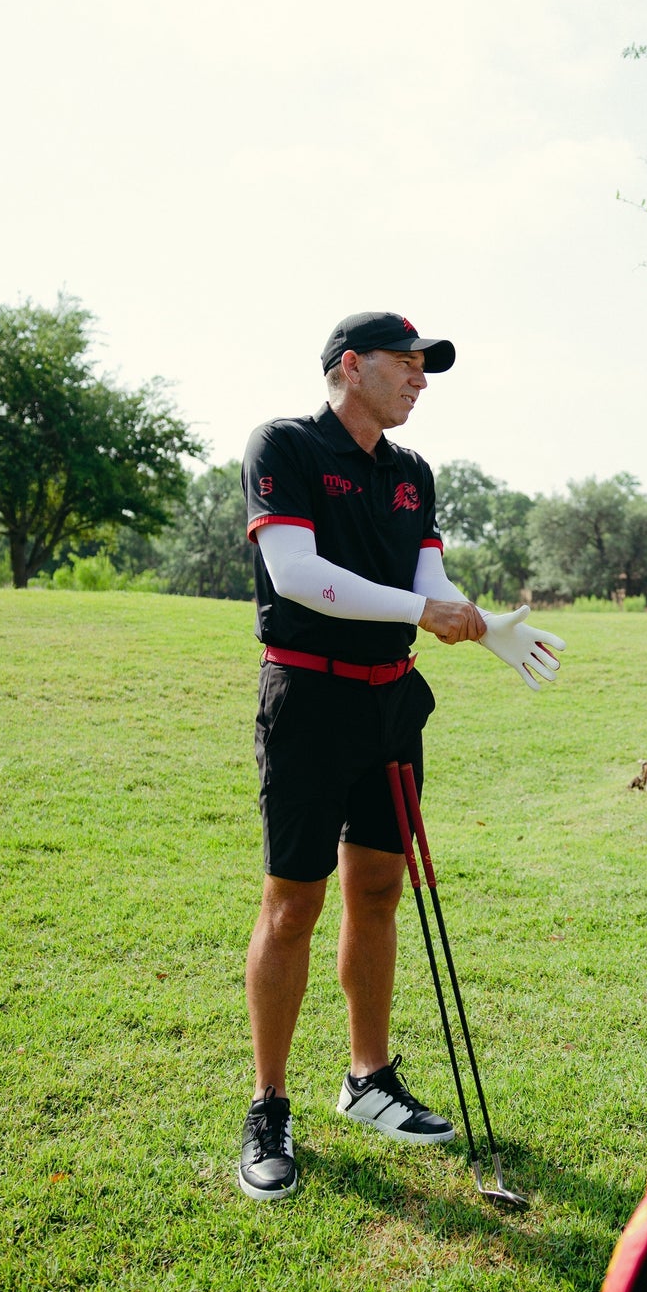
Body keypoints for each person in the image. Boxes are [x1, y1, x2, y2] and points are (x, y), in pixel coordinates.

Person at [234, 311, 561, 1201]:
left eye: (426, 367)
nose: (421, 379)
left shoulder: (412, 471)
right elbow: (296, 573)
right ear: (350, 366)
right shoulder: (287, 446)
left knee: (378, 886)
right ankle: (269, 1103)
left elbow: (429, 582)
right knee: (293, 901)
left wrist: (480, 624)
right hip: (307, 699)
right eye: (406, 364)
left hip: (390, 702)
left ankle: (367, 1078)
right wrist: (421, 613)